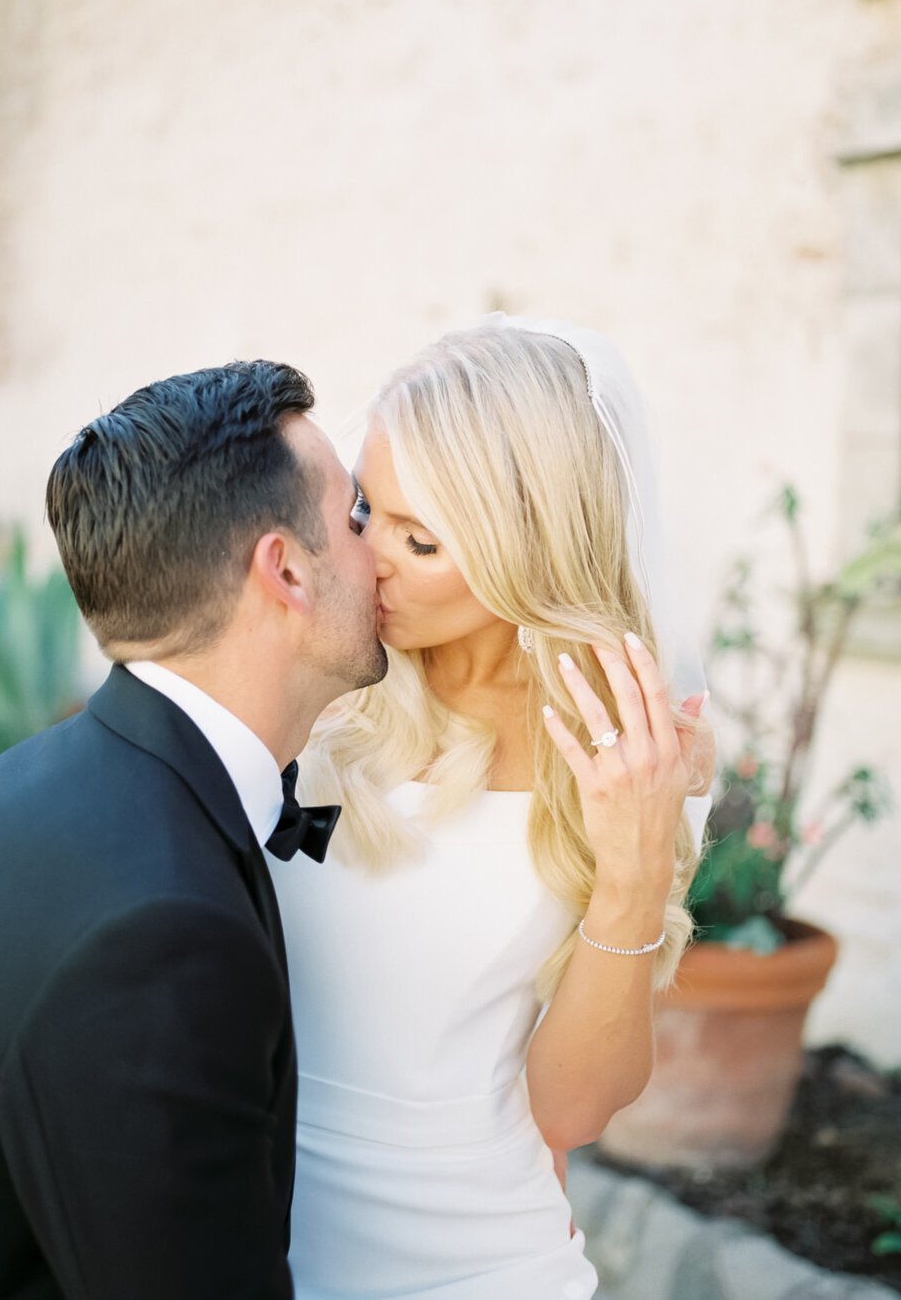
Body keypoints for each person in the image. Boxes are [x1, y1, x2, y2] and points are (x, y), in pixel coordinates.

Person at [0, 360, 386, 1299]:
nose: (383, 555)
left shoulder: (46, 772)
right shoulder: (161, 936)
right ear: (284, 568)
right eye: (357, 516)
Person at [265, 315, 715, 1299]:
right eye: (363, 509)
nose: (365, 562)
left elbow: (571, 1109)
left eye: (419, 540)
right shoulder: (308, 676)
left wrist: (634, 867)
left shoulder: (625, 755)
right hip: (249, 1238)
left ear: (530, 555)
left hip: (482, 1264)